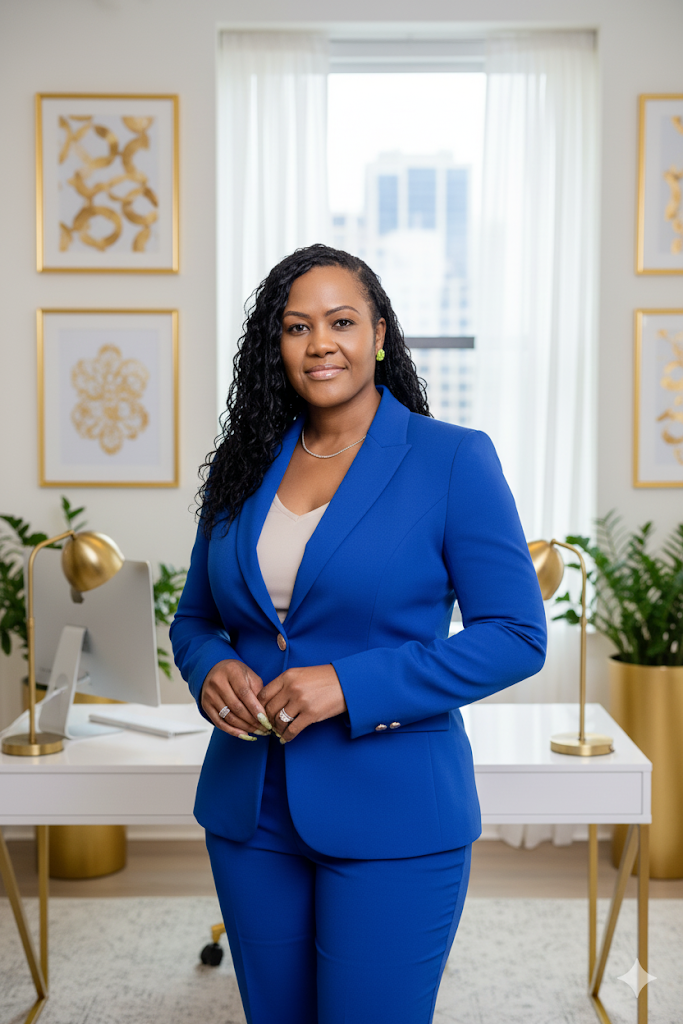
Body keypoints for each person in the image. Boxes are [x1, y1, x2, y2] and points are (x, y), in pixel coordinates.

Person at [170, 244, 546, 1024]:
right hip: (250, 810)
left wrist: (349, 683)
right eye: (296, 326)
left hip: (396, 809)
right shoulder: (241, 468)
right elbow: (197, 619)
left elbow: (515, 633)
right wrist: (209, 669)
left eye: (341, 322)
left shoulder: (451, 461)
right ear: (275, 347)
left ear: (379, 334)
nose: (319, 344)